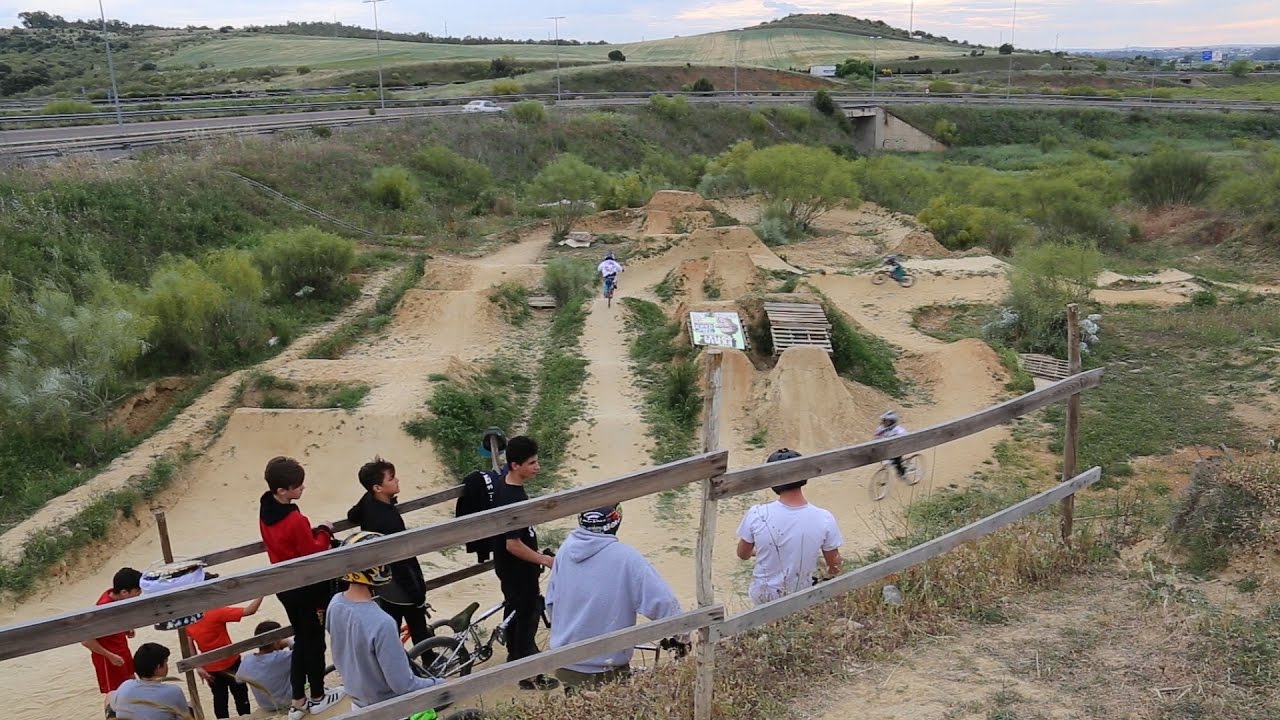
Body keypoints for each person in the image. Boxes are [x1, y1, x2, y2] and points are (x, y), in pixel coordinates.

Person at [546, 504, 683, 693]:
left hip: (565, 661)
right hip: (606, 668)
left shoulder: (565, 550)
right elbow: (664, 603)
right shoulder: (627, 558)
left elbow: (551, 602)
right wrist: (682, 637)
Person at [257, 456, 345, 719]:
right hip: (307, 588)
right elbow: (313, 551)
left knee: (300, 640)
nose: (302, 489)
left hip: (284, 586)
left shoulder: (266, 509)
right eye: (298, 486)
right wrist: (324, 531)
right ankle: (318, 696)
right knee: (315, 641)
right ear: (282, 490)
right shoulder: (294, 519)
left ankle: (298, 700)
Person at [327, 531, 443, 711]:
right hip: (388, 708)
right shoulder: (382, 623)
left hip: (358, 703)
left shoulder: (335, 604)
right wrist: (439, 683)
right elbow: (404, 685)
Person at [491, 435, 560, 691]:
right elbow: (513, 544)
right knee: (527, 619)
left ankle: (515, 660)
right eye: (531, 463)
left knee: (516, 614)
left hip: (512, 569)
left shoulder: (506, 485)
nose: (537, 467)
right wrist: (543, 559)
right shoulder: (511, 498)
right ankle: (529, 675)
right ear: (514, 465)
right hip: (517, 570)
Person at [736, 449, 844, 605]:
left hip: (763, 595)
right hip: (800, 595)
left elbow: (742, 554)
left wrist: (760, 550)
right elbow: (834, 564)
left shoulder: (757, 513)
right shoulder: (824, 517)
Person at [348, 456, 431, 646]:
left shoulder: (369, 500)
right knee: (418, 627)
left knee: (391, 627)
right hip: (400, 583)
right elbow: (401, 560)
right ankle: (428, 660)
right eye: (391, 478)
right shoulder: (388, 520)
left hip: (382, 582)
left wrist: (374, 496)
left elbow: (352, 515)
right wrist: (417, 594)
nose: (397, 480)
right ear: (378, 488)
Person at [186, 597, 264, 718]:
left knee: (220, 701)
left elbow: (189, 645)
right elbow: (250, 610)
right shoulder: (215, 612)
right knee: (241, 697)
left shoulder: (187, 620)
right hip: (231, 662)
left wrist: (198, 666)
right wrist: (261, 594)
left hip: (210, 668)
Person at [84, 567, 143, 698]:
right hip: (109, 660)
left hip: (121, 651)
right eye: (137, 591)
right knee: (116, 696)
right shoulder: (103, 610)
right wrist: (110, 656)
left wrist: (126, 628)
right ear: (124, 592)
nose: (139, 594)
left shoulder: (116, 599)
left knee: (133, 686)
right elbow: (86, 640)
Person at [105, 643, 192, 720]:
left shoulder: (125, 685)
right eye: (165, 663)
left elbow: (113, 707)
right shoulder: (174, 691)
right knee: (190, 705)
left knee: (110, 695)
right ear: (158, 667)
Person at [235, 621, 294, 714]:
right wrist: (289, 642)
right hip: (287, 701)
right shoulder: (282, 657)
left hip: (265, 705)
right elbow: (303, 653)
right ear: (277, 641)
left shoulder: (247, 660)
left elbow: (238, 679)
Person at [875, 410, 910, 479]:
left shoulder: (898, 430)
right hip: (886, 449)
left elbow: (905, 437)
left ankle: (902, 472)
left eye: (887, 421)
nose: (885, 422)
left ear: (892, 422)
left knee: (896, 461)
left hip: (897, 449)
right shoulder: (881, 428)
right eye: (884, 420)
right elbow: (877, 437)